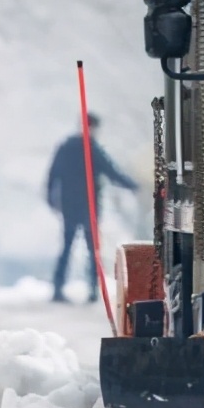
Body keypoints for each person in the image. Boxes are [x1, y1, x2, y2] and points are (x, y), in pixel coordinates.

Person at [46, 114, 137, 303]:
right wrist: (133, 185)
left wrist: (51, 198)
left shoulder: (67, 147)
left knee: (70, 246)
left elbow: (52, 175)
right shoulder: (90, 149)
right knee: (92, 248)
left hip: (71, 205)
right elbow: (112, 172)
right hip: (88, 206)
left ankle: (62, 287)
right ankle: (92, 289)